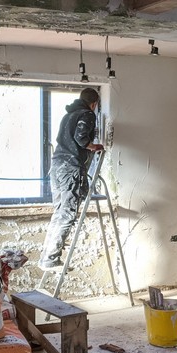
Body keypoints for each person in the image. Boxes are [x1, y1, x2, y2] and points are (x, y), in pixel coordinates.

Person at [38, 87, 104, 271]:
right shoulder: (87, 114)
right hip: (71, 167)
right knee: (67, 213)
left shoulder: (68, 115)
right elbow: (81, 137)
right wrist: (93, 146)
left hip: (57, 165)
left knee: (59, 211)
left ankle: (46, 257)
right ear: (94, 104)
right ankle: (51, 258)